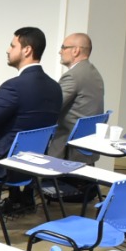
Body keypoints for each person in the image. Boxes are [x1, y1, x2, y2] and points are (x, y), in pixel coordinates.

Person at [0, 27, 62, 229]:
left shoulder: (13, 87)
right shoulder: (54, 87)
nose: (8, 50)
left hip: (6, 162)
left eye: (12, 45)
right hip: (33, 161)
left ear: (27, 50)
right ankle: (14, 200)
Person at [49, 32, 105, 162]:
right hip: (86, 146)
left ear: (75, 51)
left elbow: (52, 107)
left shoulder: (73, 76)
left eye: (63, 47)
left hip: (67, 145)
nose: (60, 51)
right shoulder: (94, 73)